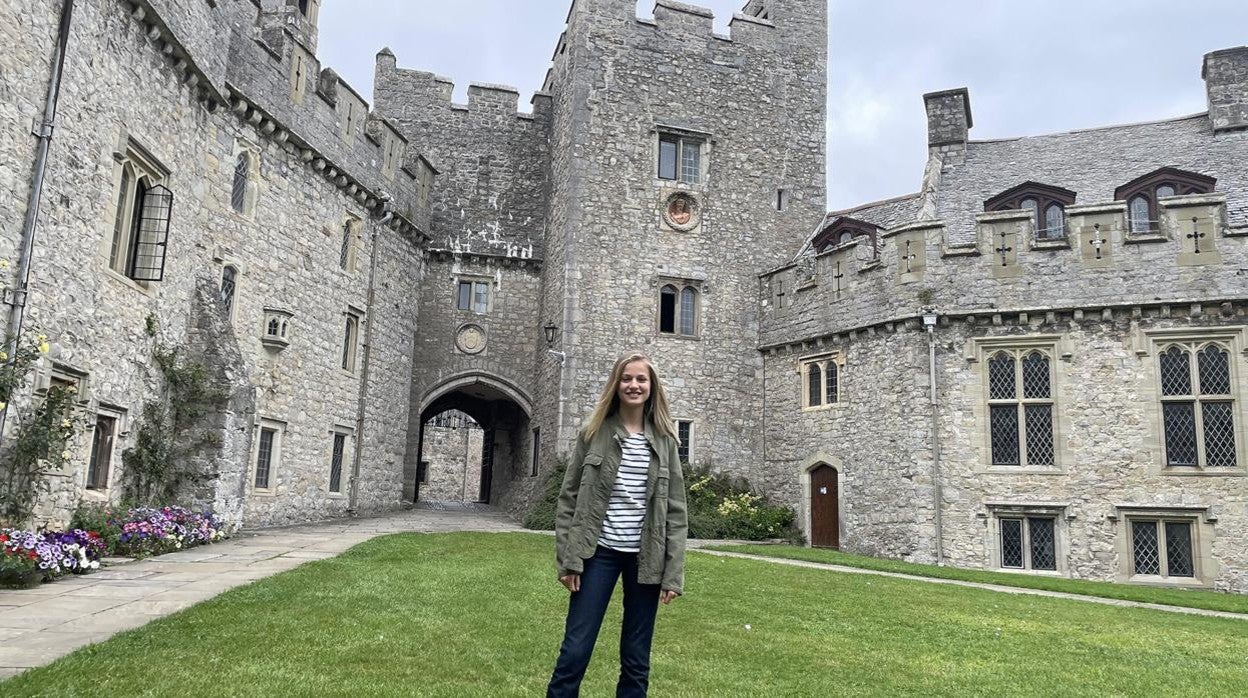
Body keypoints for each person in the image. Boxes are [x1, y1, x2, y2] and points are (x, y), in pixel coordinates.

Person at [547, 352, 688, 698]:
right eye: (627, 378)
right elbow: (568, 498)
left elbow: (676, 511)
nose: (634, 385)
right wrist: (569, 558)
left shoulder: (666, 440)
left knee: (636, 660)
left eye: (641, 379)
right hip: (598, 554)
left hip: (646, 558)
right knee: (575, 651)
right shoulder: (593, 433)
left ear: (652, 387)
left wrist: (673, 573)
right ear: (616, 384)